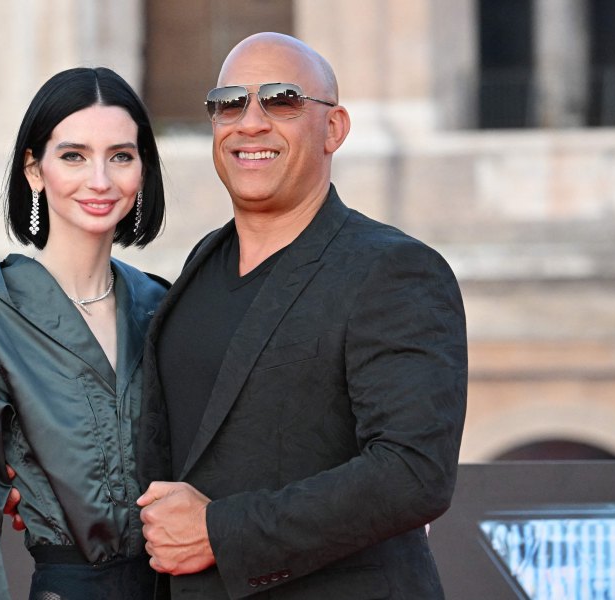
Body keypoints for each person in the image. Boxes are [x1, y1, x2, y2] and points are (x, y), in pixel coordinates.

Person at [133, 32, 468, 598]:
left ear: (333, 128)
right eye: (229, 103)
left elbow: (414, 472)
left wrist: (221, 532)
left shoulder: (395, 269)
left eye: (282, 99)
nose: (250, 123)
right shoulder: (200, 265)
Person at [0, 66, 168, 599]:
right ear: (34, 169)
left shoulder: (164, 307)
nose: (100, 180)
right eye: (73, 155)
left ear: (142, 170)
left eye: (121, 155)